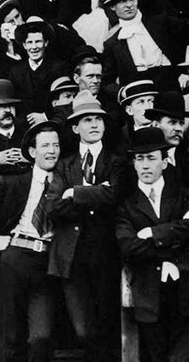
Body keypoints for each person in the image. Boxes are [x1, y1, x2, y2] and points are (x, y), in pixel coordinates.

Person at [0, 121, 62, 362]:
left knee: (41, 338)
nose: (52, 151)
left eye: (56, 145)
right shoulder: (15, 181)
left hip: (47, 263)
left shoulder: (65, 182)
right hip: (13, 260)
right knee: (10, 339)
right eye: (45, 145)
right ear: (32, 152)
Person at [115, 127, 189, 362]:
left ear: (165, 162)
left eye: (151, 158)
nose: (145, 165)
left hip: (187, 290)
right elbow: (129, 245)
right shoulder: (125, 205)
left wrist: (155, 232)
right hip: (150, 295)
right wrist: (166, 258)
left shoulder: (182, 194)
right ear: (134, 164)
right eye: (140, 159)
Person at [48, 91, 127, 361]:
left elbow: (115, 196)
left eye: (98, 119)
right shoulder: (63, 165)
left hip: (106, 254)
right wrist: (96, 191)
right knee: (83, 330)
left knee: (104, 328)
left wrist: (76, 192)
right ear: (74, 127)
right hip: (71, 257)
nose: (94, 125)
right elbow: (54, 207)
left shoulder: (117, 162)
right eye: (86, 120)